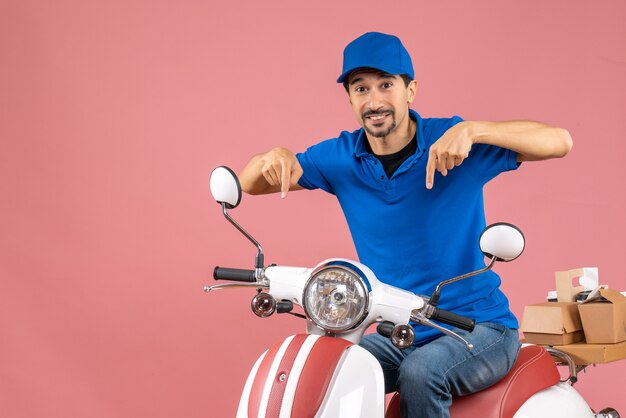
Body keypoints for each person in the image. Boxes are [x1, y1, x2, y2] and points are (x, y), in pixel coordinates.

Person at [238, 32, 572, 418]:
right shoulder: (341, 158)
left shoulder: (450, 142)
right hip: (399, 328)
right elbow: (248, 183)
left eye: (386, 85)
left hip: (478, 329)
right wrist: (273, 155)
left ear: (410, 90)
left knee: (420, 373)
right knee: (326, 362)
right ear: (349, 98)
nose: (374, 100)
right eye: (361, 88)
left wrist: (474, 130)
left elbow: (559, 141)